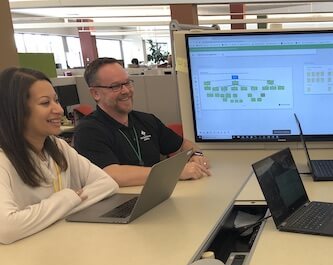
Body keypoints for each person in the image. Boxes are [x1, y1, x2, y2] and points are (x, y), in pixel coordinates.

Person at [0, 67, 118, 244]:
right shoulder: (4, 160)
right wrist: (67, 198)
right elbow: (7, 229)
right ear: (17, 111)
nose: (59, 110)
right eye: (45, 103)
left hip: (61, 245)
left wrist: (62, 207)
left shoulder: (58, 146)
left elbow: (108, 184)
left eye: (56, 100)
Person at [72, 57, 210, 187]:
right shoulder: (88, 131)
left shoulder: (146, 120)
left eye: (127, 83)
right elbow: (111, 174)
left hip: (155, 196)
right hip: (119, 203)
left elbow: (182, 145)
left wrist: (195, 155)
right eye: (115, 86)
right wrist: (175, 172)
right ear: (95, 93)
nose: (126, 91)